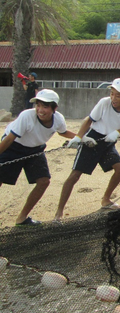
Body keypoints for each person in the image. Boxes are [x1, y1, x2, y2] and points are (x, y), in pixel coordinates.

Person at [54, 78, 120, 221]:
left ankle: (106, 200)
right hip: (93, 139)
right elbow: (89, 120)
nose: (113, 98)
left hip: (108, 141)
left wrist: (117, 132)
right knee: (75, 175)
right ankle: (59, 212)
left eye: (118, 95)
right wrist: (79, 137)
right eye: (112, 94)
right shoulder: (104, 103)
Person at [0, 89, 75, 226]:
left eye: (45, 106)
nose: (40, 110)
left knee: (44, 181)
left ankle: (22, 218)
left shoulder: (58, 119)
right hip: (13, 147)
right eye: (38, 105)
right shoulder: (26, 116)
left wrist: (79, 138)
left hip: (35, 149)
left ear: (54, 108)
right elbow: (10, 139)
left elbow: (63, 132)